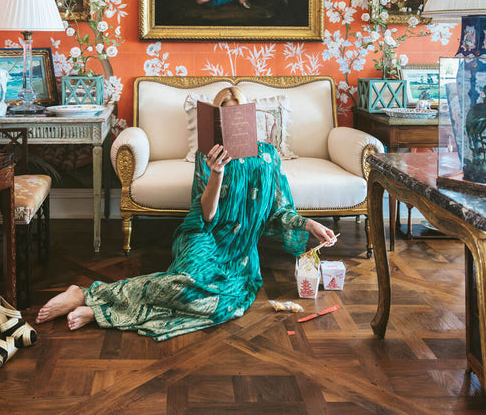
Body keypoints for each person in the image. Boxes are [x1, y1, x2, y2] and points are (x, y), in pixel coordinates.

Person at [36, 86, 337, 341]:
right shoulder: (205, 158)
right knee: (185, 281)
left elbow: (277, 210)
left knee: (222, 303)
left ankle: (101, 309)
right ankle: (88, 295)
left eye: (237, 115)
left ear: (248, 119)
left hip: (240, 252)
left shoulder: (269, 157)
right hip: (204, 236)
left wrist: (309, 224)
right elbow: (206, 215)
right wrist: (215, 172)